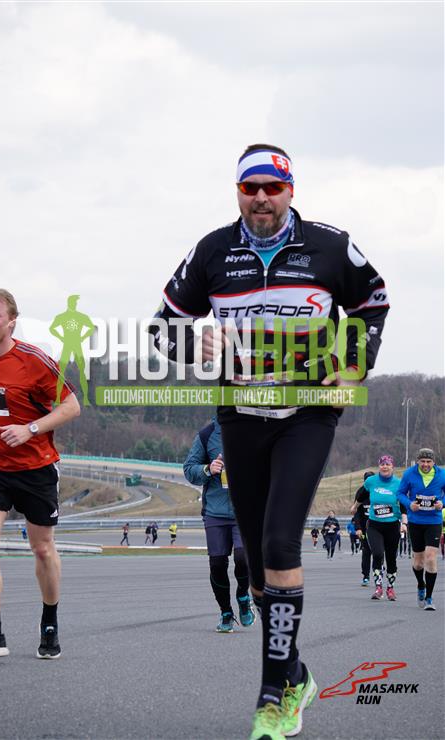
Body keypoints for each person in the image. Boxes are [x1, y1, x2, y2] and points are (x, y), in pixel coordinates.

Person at [150, 143, 389, 739]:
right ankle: (296, 672)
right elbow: (162, 327)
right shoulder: (212, 251)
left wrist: (354, 363)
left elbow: (374, 302)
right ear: (238, 192)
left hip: (307, 414)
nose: (261, 198)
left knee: (282, 544)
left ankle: (273, 698)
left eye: (272, 187)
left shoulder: (330, 246)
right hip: (239, 414)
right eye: (250, 188)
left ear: (290, 191)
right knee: (258, 570)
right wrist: (191, 344)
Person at [0, 289, 80, 661]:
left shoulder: (34, 361)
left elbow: (71, 405)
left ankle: (50, 622)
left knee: (42, 549)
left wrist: (31, 429)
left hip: (35, 468)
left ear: (11, 321)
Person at [183, 418, 255, 632]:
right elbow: (189, 470)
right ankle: (226, 612)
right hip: (215, 512)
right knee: (217, 565)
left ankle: (243, 596)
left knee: (243, 557)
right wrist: (208, 469)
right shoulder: (207, 435)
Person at [397, 448, 445, 611]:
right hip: (416, 521)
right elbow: (400, 493)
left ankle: (429, 598)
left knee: (431, 558)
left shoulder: (442, 474)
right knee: (418, 563)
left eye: (428, 461)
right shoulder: (409, 474)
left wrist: (442, 503)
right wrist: (409, 504)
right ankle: (420, 585)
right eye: (422, 461)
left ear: (434, 462)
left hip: (434, 521)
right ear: (418, 461)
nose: (425, 464)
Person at [355, 456, 406, 601]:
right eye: (382, 464)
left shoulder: (398, 483)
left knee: (391, 558)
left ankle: (390, 588)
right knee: (377, 554)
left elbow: (403, 504)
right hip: (374, 525)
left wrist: (404, 523)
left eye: (387, 464)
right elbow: (361, 494)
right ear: (379, 466)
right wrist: (355, 506)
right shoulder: (371, 481)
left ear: (392, 467)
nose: (385, 467)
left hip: (392, 525)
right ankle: (378, 587)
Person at [49, 295, 95, 406]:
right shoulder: (62, 317)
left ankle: (85, 398)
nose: (74, 304)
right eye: (73, 302)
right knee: (60, 372)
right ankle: (58, 398)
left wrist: (83, 337)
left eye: (75, 303)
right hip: (67, 344)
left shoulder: (81, 316)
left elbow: (91, 327)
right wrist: (61, 337)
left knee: (82, 371)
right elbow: (52, 328)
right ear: (70, 303)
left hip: (77, 345)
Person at [352, 471, 375, 585]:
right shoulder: (361, 492)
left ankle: (378, 571)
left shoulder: (379, 491)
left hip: (377, 526)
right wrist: (358, 528)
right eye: (367, 481)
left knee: (378, 551)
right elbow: (356, 512)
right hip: (364, 528)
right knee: (366, 550)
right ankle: (366, 575)